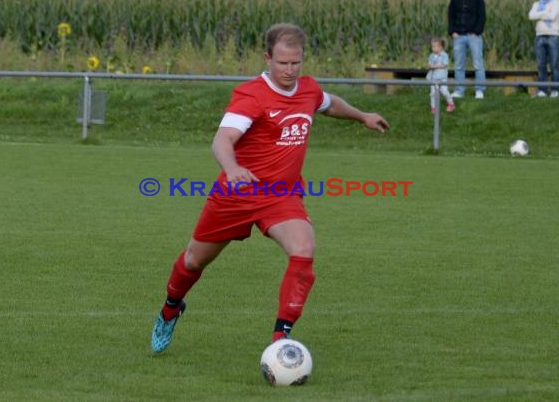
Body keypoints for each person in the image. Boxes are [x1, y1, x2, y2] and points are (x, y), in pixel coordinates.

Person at [150, 23, 389, 353]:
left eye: (296, 63)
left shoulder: (307, 89)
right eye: (282, 63)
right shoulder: (252, 96)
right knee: (193, 261)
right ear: (267, 58)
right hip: (237, 193)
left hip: (282, 195)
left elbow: (329, 103)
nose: (289, 70)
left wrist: (363, 116)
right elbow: (223, 139)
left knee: (303, 248)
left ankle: (281, 339)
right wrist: (232, 168)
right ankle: (171, 308)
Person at [448, 0, 487, 99]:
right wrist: (452, 31)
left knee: (478, 64)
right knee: (459, 65)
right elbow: (451, 15)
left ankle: (480, 90)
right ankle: (459, 91)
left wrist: (477, 31)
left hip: (473, 36)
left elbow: (482, 16)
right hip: (458, 36)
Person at [529, 0, 559, 98]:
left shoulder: (557, 3)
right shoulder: (536, 4)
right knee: (541, 65)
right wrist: (545, 12)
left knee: (554, 65)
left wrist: (539, 14)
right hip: (539, 36)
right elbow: (531, 16)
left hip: (553, 36)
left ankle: (555, 90)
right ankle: (542, 89)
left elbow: (553, 17)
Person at [427, 37, 455, 114]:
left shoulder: (444, 55)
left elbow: (444, 65)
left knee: (444, 91)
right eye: (432, 46)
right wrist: (430, 65)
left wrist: (434, 66)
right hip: (433, 77)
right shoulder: (431, 55)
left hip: (442, 78)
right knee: (433, 93)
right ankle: (433, 107)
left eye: (435, 46)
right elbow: (429, 63)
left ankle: (451, 104)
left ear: (441, 47)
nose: (434, 48)